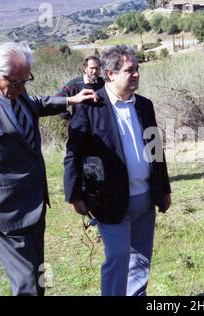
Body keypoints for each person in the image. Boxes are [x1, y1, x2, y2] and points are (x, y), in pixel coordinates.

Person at [0, 42, 97, 296]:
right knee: (28, 282)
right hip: (5, 210)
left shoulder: (20, 95)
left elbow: (36, 103)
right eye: (15, 82)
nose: (21, 88)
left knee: (39, 275)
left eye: (25, 80)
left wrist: (70, 99)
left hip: (36, 204)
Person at [63, 45, 171, 296]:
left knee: (141, 260)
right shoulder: (91, 106)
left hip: (144, 197)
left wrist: (163, 189)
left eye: (137, 69)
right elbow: (74, 152)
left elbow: (156, 149)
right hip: (109, 200)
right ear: (110, 74)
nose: (136, 75)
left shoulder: (144, 105)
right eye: (129, 70)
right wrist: (74, 194)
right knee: (118, 258)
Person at [56, 55, 105, 119]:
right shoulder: (74, 84)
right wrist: (71, 119)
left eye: (97, 68)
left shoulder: (103, 82)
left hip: (102, 126)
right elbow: (57, 101)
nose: (95, 71)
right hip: (82, 128)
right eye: (92, 68)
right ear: (85, 69)